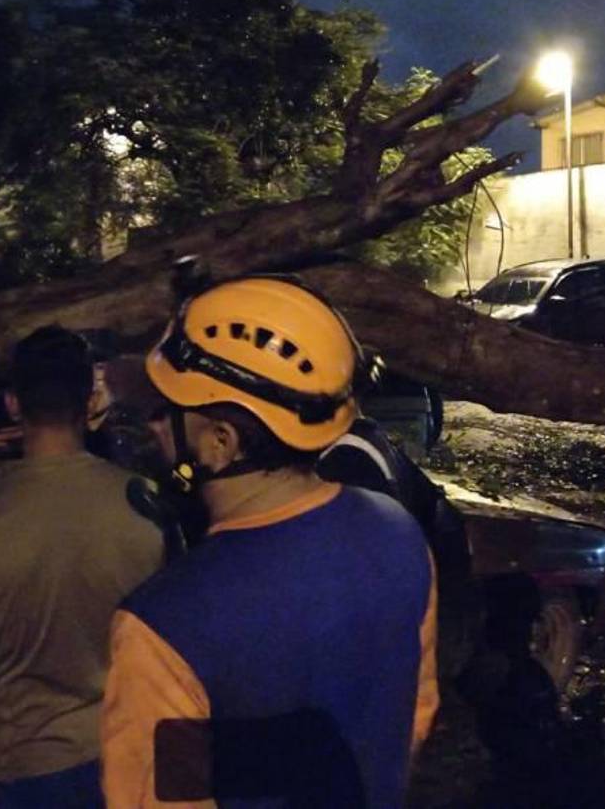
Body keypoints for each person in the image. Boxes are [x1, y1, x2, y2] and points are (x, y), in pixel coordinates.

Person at [101, 277, 438, 809]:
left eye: (169, 409)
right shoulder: (396, 530)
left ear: (220, 442)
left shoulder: (161, 626)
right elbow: (413, 715)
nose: (155, 425)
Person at [0, 325, 164, 809]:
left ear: (13, 404)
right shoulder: (144, 503)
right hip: (139, 750)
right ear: (88, 401)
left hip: (33, 764)